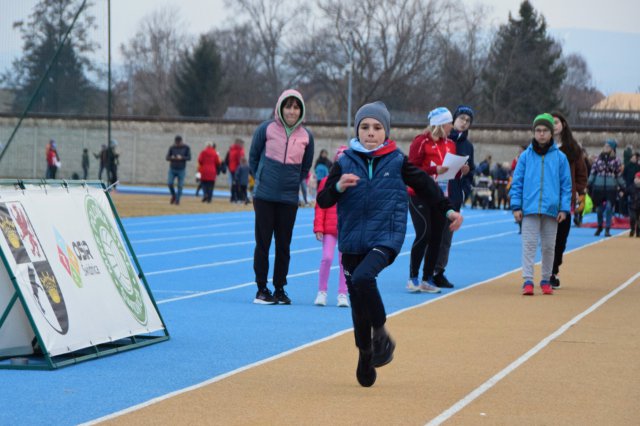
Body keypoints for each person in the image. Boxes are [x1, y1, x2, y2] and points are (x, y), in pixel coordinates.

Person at [317, 101, 462, 387]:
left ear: (386, 131)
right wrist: (336, 187)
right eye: (365, 127)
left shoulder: (397, 160)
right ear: (357, 131)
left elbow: (426, 185)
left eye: (377, 127)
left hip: (386, 236)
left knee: (363, 277)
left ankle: (381, 332)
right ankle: (364, 350)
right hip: (352, 239)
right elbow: (323, 201)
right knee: (358, 305)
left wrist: (447, 210)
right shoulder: (344, 161)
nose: (371, 133)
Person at [249, 89, 314, 305]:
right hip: (265, 196)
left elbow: (305, 168)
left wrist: (291, 183)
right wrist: (263, 179)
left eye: (296, 107)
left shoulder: (306, 137)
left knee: (284, 246)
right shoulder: (266, 129)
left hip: (288, 199)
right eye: (288, 106)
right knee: (263, 244)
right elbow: (253, 158)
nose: (292, 111)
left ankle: (279, 288)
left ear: (301, 110)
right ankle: (261, 288)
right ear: (280, 108)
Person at [510, 113, 571, 296]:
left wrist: (564, 208)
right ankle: (528, 280)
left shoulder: (560, 158)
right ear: (534, 132)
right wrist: (516, 206)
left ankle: (546, 279)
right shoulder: (525, 157)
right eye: (538, 130)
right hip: (529, 208)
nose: (541, 134)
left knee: (548, 246)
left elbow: (566, 185)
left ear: (551, 133)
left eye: (545, 130)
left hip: (551, 209)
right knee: (528, 244)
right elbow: (517, 182)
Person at [406, 107, 456, 293]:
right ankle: (412, 277)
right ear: (441, 124)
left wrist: (460, 169)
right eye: (450, 123)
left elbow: (449, 169)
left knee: (437, 237)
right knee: (424, 233)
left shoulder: (450, 144)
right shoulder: (421, 141)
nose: (452, 126)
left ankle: (428, 278)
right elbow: (410, 169)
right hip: (418, 193)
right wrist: (435, 170)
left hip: (439, 195)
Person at [433, 105, 475, 289]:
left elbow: (470, 171)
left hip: (455, 195)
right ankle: (426, 270)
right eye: (461, 118)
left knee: (446, 238)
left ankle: (439, 271)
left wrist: (465, 175)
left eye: (468, 121)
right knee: (431, 234)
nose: (464, 123)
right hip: (436, 193)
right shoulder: (440, 139)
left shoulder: (468, 146)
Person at [549, 111, 588, 289]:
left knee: (561, 239)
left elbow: (581, 173)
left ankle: (554, 269)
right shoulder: (542, 146)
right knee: (547, 237)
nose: (554, 125)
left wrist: (578, 191)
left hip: (564, 199)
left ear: (563, 124)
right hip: (546, 199)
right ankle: (548, 272)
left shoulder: (573, 148)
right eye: (551, 122)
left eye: (556, 122)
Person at [313, 145, 349, 308]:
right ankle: (322, 291)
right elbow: (320, 205)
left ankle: (342, 294)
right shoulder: (326, 181)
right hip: (329, 228)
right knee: (327, 258)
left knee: (345, 262)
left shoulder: (352, 182)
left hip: (346, 228)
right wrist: (318, 227)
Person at [587, 139, 625, 237]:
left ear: (612, 149)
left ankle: (607, 228)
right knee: (599, 210)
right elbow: (593, 173)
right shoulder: (598, 160)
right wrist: (588, 184)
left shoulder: (616, 160)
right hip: (598, 188)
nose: (605, 148)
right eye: (605, 146)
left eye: (608, 146)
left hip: (611, 188)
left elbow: (618, 175)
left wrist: (623, 187)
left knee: (609, 207)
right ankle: (600, 226)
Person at [166, 134, 191, 205]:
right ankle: (173, 195)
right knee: (169, 183)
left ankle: (177, 200)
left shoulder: (186, 148)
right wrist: (172, 157)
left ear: (181, 141)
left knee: (180, 186)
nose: (177, 144)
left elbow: (189, 157)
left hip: (181, 169)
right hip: (172, 168)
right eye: (176, 143)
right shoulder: (172, 147)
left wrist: (182, 157)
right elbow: (167, 157)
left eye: (178, 143)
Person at [628, 172, 640, 237]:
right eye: (635, 178)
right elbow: (626, 193)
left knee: (639, 220)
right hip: (632, 205)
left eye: (638, 178)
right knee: (632, 218)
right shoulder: (631, 186)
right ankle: (632, 229)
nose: (636, 179)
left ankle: (638, 231)